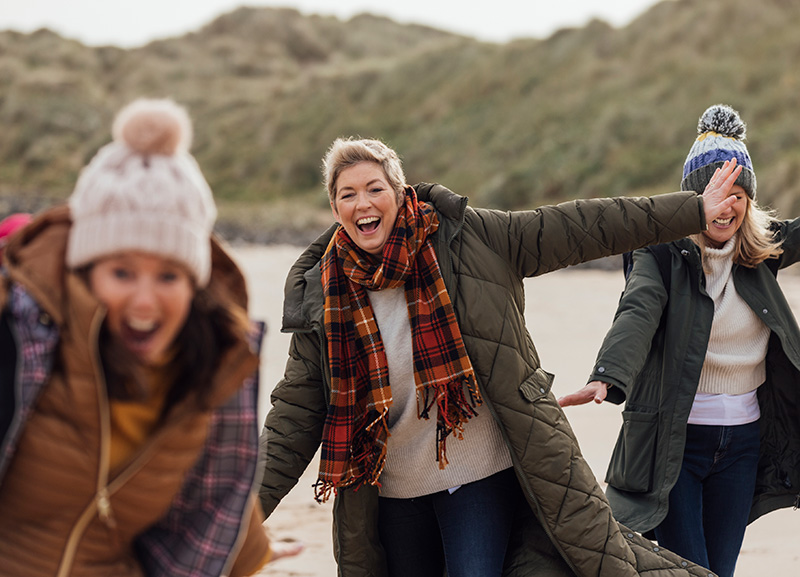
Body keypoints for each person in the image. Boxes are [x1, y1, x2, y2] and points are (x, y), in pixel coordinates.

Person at [258, 135, 743, 577]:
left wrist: (691, 212)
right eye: (347, 194)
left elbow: (585, 226)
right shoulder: (325, 294)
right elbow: (295, 416)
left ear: (400, 191)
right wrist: (240, 514)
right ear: (335, 207)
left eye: (374, 188)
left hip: (478, 475)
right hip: (391, 493)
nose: (362, 202)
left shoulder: (472, 238)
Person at [0, 98, 302, 576]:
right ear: (86, 271)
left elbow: (209, 509)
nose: (145, 302)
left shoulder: (210, 368)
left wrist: (250, 551)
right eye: (122, 273)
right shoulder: (18, 339)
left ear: (195, 285)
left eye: (168, 277)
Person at [558, 104, 800, 577]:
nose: (725, 205)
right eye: (714, 192)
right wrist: (607, 374)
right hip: (674, 441)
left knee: (719, 570)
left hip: (745, 443)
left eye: (737, 193)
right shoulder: (662, 254)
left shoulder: (762, 250)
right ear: (691, 198)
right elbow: (637, 311)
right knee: (689, 571)